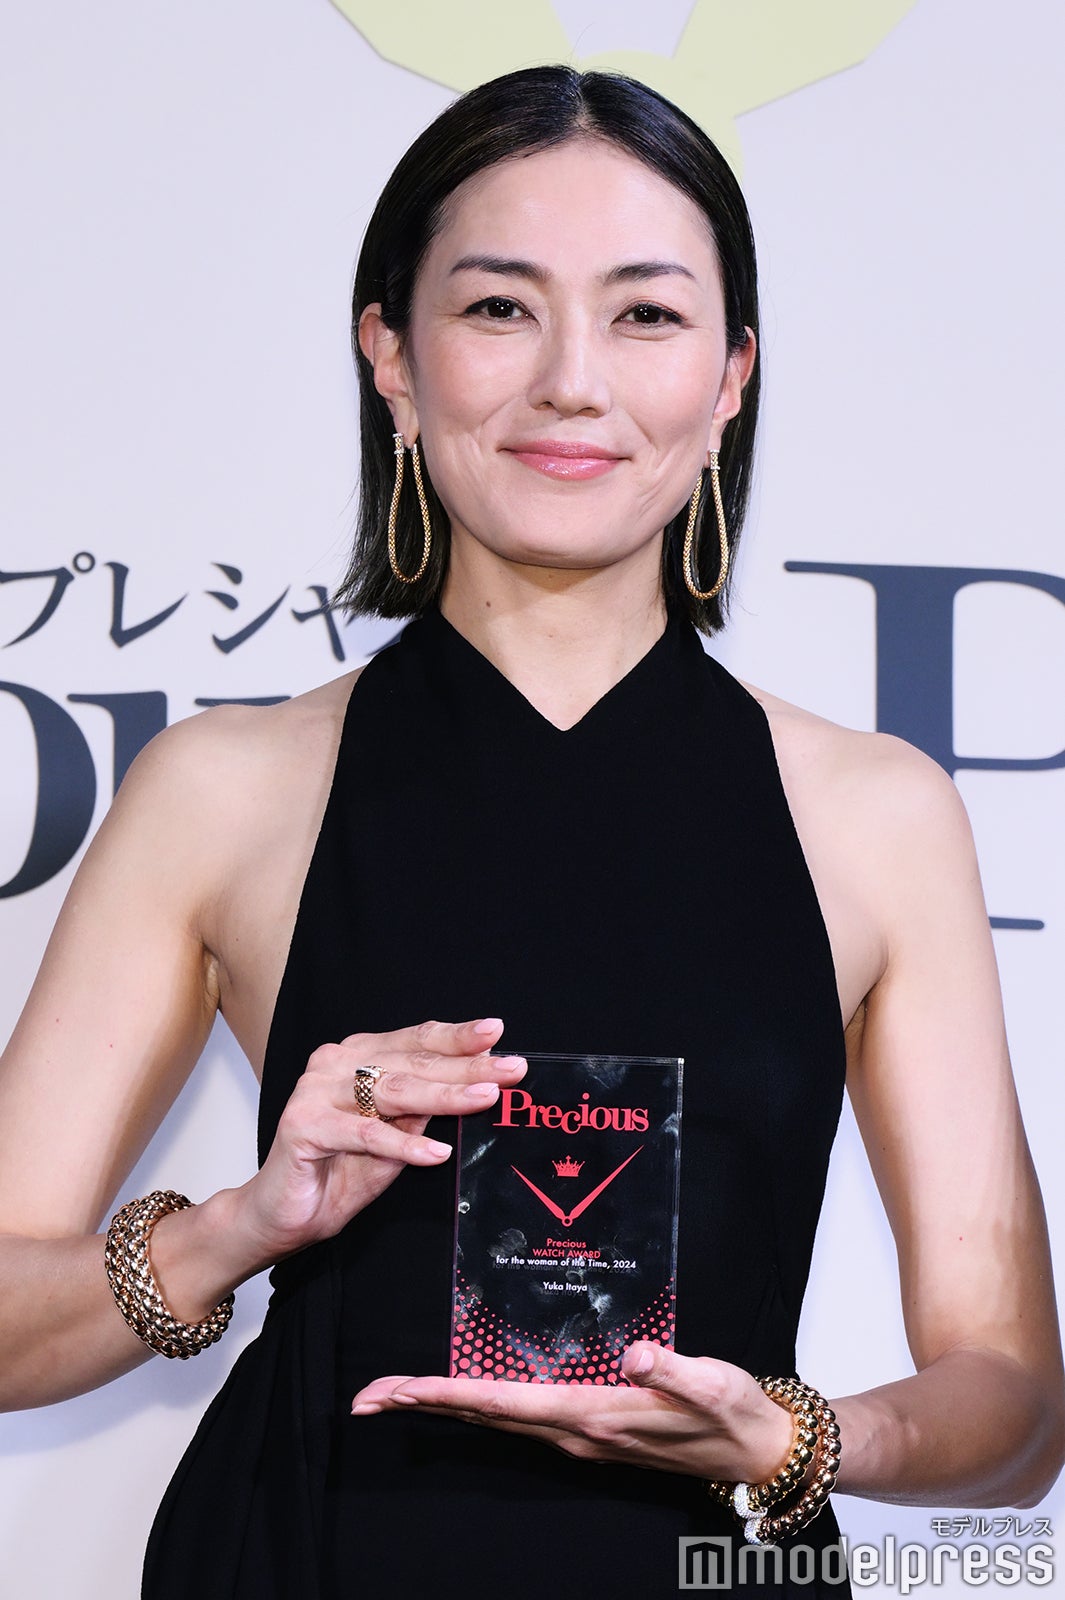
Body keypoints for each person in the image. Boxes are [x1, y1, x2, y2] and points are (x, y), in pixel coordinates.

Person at [0, 64, 1061, 1600]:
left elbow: (1013, 1408)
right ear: (390, 354)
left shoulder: (875, 816)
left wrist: (803, 1439)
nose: (572, 380)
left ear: (731, 376)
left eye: (645, 315)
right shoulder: (225, 788)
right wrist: (236, 1226)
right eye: (499, 307)